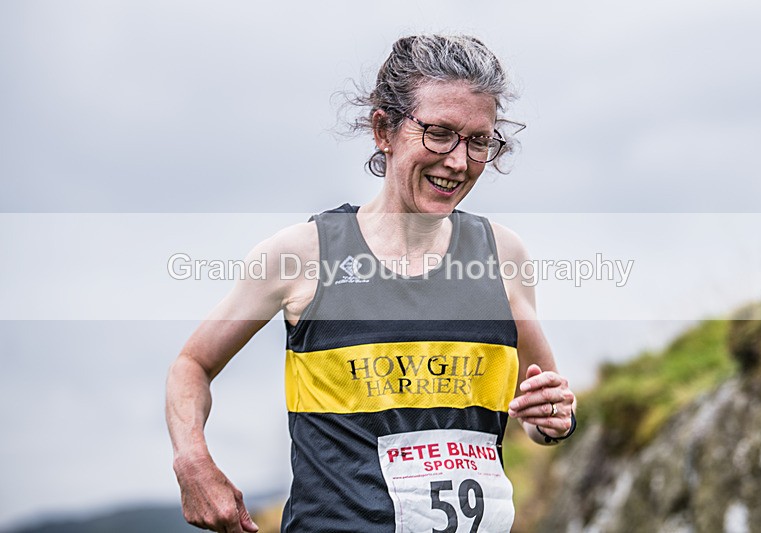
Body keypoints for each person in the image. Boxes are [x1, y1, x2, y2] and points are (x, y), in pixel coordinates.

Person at [166, 34, 576, 533]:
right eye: (439, 132)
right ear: (383, 129)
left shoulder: (503, 255)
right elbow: (192, 365)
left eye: (479, 141)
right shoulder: (301, 254)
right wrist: (193, 462)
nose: (458, 161)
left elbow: (539, 409)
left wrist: (552, 419)